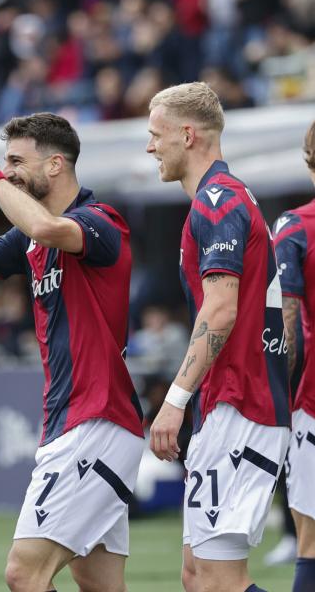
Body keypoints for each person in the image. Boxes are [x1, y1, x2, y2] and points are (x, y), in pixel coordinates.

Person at [0, 113, 145, 592]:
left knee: (24, 573)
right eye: (3, 163)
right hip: (73, 420)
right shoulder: (29, 237)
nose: (6, 172)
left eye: (16, 161)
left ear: (56, 165)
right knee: (99, 583)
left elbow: (49, 228)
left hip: (96, 420)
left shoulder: (100, 221)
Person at [146, 82, 291, 592]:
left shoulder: (216, 201)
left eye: (156, 133)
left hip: (240, 404)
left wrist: (174, 399)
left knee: (215, 581)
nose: (149, 146)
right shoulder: (226, 197)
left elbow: (222, 309)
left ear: (187, 135)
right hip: (235, 401)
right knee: (195, 576)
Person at [272, 119, 315, 591]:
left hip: (313, 406)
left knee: (311, 545)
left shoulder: (294, 227)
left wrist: (276, 399)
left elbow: (289, 331)